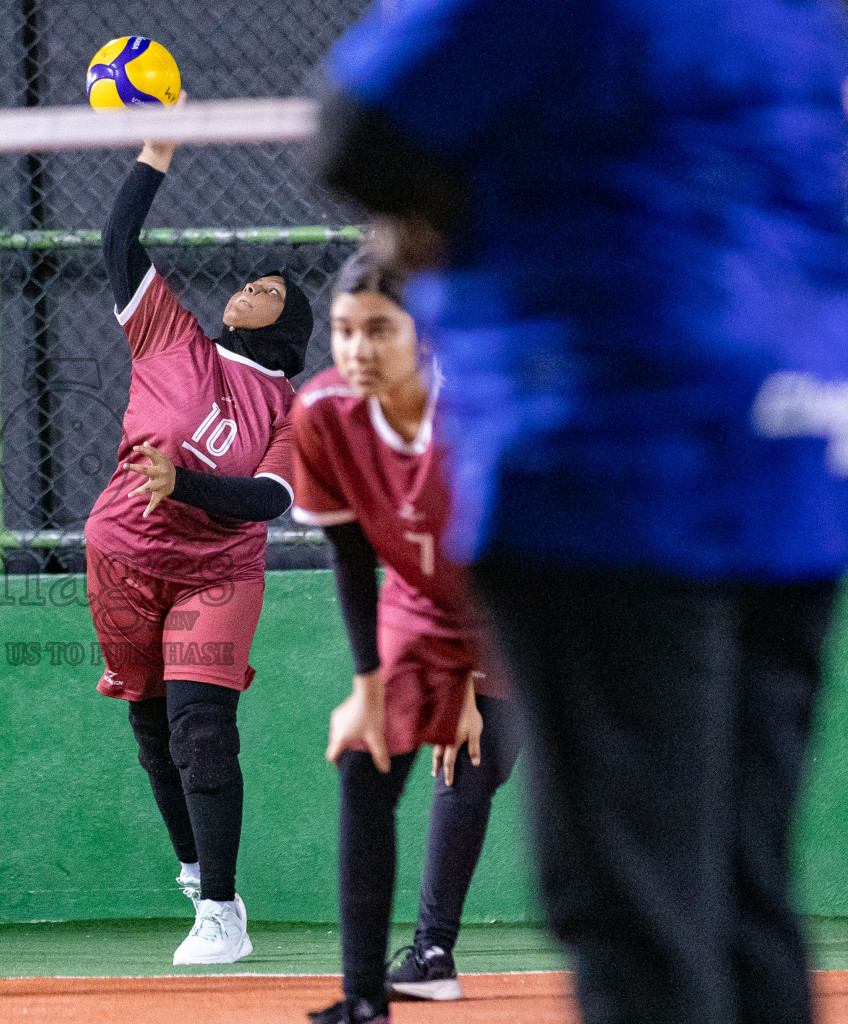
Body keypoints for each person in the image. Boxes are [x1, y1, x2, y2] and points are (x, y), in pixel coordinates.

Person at [316, 4, 848, 1023]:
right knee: (742, 891)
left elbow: (359, 127)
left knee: (638, 911)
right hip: (794, 447)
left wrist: (450, 200)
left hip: (615, 447)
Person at [86, 125, 314, 965]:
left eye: (270, 289)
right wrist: (156, 153)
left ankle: (222, 911)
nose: (250, 288)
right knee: (152, 728)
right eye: (252, 281)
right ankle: (194, 867)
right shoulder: (170, 337)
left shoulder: (289, 409)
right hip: (123, 555)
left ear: (289, 326)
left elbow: (270, 500)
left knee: (202, 729)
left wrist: (181, 483)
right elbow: (118, 241)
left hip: (216, 572)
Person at [292, 248, 520, 1024]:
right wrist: (367, 688)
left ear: (425, 334)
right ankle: (363, 999)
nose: (357, 349)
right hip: (417, 606)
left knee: (475, 760)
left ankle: (434, 952)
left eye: (379, 330)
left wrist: (472, 686)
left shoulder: (475, 409)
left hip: (515, 605)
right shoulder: (323, 413)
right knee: (366, 761)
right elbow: (351, 556)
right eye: (344, 330)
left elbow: (509, 558)